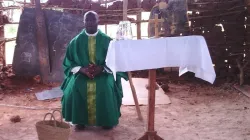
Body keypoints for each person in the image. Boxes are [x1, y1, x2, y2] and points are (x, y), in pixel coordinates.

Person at [60, 11, 128, 131]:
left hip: (103, 73)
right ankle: (79, 120)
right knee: (75, 86)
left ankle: (106, 120)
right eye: (87, 20)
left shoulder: (108, 41)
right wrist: (81, 69)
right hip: (81, 73)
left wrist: (102, 68)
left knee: (105, 86)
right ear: (83, 22)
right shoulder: (75, 41)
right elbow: (68, 62)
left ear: (98, 21)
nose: (90, 23)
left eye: (93, 20)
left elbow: (115, 60)